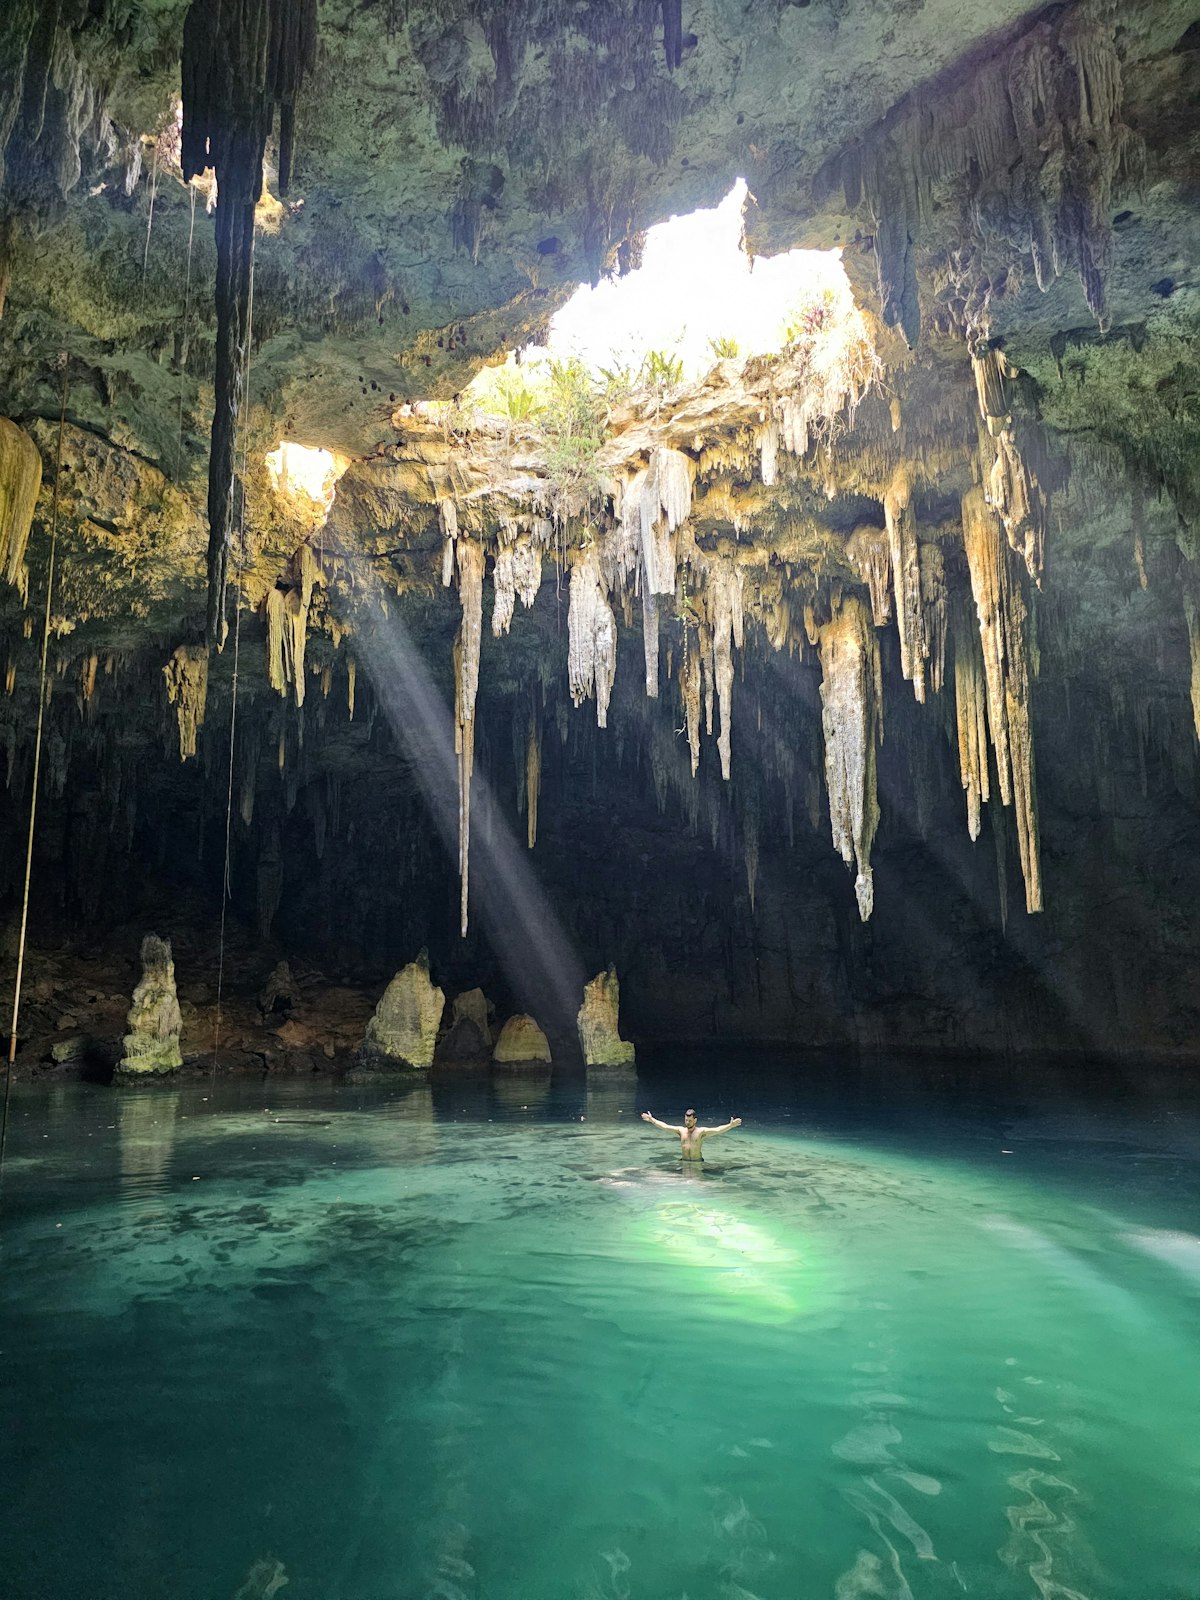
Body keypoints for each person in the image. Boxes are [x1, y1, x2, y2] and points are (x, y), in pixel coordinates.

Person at [640, 1107, 742, 1162]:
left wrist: (730, 1125)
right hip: (684, 1162)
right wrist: (652, 1120)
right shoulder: (681, 1131)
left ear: (695, 1120)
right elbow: (665, 1126)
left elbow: (717, 1130)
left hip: (697, 1163)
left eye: (689, 1120)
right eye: (686, 1120)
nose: (687, 1122)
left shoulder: (701, 1132)